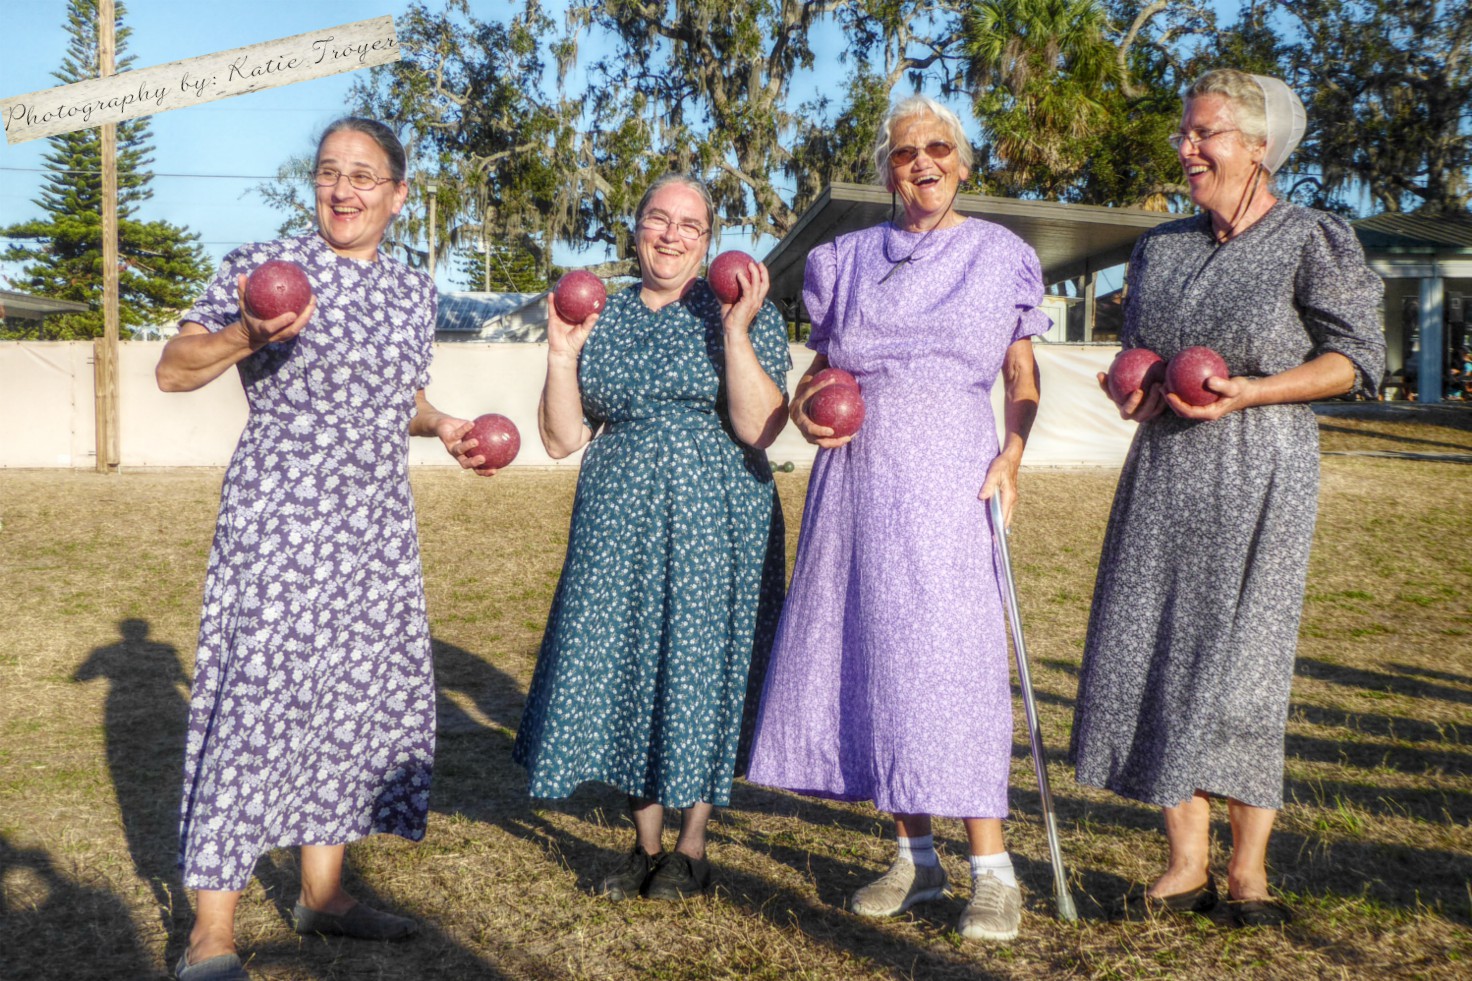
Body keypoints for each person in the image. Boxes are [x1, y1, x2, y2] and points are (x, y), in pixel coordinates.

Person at [157, 118, 493, 981]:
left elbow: (398, 395)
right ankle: (212, 929)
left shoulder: (414, 292)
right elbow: (175, 366)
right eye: (329, 173)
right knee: (255, 698)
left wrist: (446, 422)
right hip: (281, 514)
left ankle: (323, 894)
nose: (343, 191)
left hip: (376, 522)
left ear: (398, 194)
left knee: (352, 699)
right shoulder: (266, 265)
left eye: (364, 176)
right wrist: (249, 335)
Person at [1069, 70, 1386, 928]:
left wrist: (1251, 389)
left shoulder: (1311, 237)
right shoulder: (1162, 246)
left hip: (1262, 461)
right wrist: (1128, 388)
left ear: (1258, 147)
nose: (1187, 147)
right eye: (1185, 131)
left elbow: (1354, 359)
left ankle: (1248, 872)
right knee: (1161, 640)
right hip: (1166, 465)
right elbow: (1142, 356)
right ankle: (1184, 860)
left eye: (1205, 132)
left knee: (1247, 654)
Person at [745, 94, 1049, 943]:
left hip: (953, 478)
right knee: (875, 652)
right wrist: (808, 406)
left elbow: (1022, 380)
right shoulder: (843, 260)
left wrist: (1011, 457)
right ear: (887, 170)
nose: (923, 162)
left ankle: (994, 872)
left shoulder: (1002, 256)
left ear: (963, 161)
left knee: (951, 659)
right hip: (857, 481)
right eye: (906, 151)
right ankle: (914, 855)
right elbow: (821, 369)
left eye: (939, 148)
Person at [511, 174, 790, 901]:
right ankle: (644, 844)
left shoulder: (741, 306)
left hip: (718, 513)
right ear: (635, 229)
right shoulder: (599, 309)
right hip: (618, 516)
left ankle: (692, 848)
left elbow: (759, 426)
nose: (671, 235)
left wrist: (733, 332)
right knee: (630, 660)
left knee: (703, 664)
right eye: (657, 220)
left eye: (689, 225)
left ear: (708, 238)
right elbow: (561, 437)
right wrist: (562, 353)